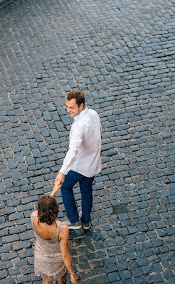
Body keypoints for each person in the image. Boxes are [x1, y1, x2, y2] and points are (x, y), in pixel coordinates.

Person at [50, 91, 102, 230]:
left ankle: (74, 220)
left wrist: (62, 172)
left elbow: (73, 151)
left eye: (71, 108)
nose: (68, 110)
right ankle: (86, 221)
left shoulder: (78, 127)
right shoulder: (93, 114)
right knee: (86, 191)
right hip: (93, 163)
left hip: (81, 165)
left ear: (81, 106)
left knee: (66, 187)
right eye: (67, 107)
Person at [31, 195, 79, 284]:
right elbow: (65, 255)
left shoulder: (34, 217)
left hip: (41, 256)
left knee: (46, 280)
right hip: (57, 260)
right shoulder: (62, 229)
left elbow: (43, 209)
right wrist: (72, 274)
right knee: (61, 276)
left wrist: (54, 191)